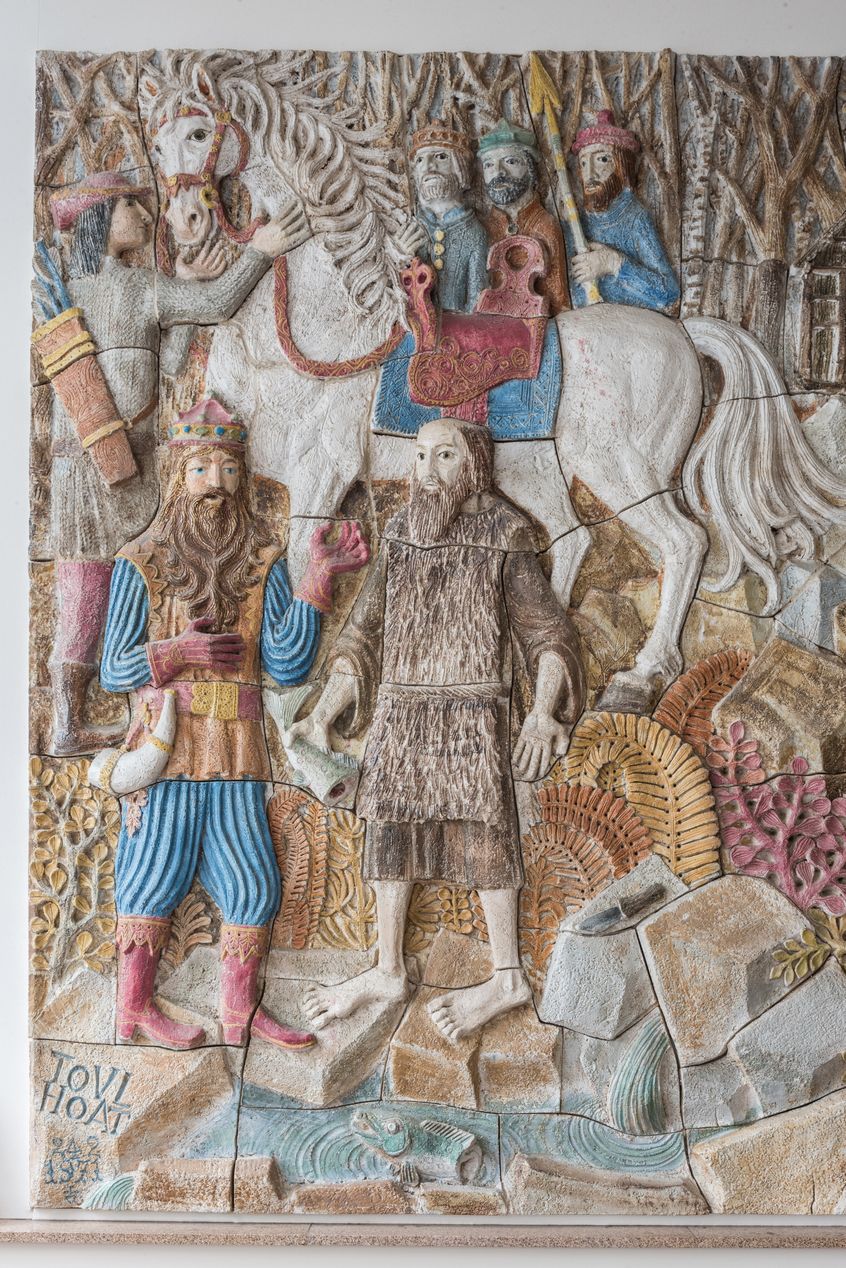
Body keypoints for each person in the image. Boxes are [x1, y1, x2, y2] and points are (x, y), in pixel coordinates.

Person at [287, 418, 585, 1042]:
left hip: (472, 713)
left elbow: (546, 632)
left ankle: (507, 977)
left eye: (443, 456)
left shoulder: (505, 533)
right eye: (420, 456)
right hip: (402, 712)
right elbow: (363, 634)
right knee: (388, 834)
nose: (426, 471)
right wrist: (322, 713)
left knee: (486, 837)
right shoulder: (400, 532)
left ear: (473, 464)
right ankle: (387, 969)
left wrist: (542, 712)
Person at [100, 398, 369, 1050]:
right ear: (178, 477)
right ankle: (132, 1010)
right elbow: (112, 667)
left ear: (242, 478)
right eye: (201, 470)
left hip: (240, 754)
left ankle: (238, 1014)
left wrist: (318, 580)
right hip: (167, 748)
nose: (214, 484)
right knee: (151, 874)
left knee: (253, 883)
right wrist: (177, 652)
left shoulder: (262, 561)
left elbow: (286, 661)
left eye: (227, 470)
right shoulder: (141, 560)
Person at [43, 170, 309, 754]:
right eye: (131, 207)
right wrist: (261, 251)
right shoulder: (130, 285)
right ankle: (70, 719)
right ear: (101, 220)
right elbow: (217, 302)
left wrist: (178, 291)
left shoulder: (89, 288)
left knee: (90, 582)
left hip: (96, 464)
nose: (146, 215)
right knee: (100, 580)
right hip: (108, 466)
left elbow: (165, 363)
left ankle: (75, 713)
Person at [567, 110, 679, 312]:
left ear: (621, 166)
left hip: (631, 321)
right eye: (583, 163)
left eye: (602, 159)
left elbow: (667, 292)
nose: (590, 173)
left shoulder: (634, 218)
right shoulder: (577, 223)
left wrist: (613, 263)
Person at [395, 121, 489, 313]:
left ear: (460, 168)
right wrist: (398, 257)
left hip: (456, 325)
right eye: (420, 160)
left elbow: (477, 302)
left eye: (441, 157)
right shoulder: (412, 227)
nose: (428, 166)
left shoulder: (474, 233)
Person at [480, 118, 571, 314]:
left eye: (510, 161)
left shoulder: (545, 226)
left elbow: (558, 303)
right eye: (488, 164)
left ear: (530, 169)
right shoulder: (483, 229)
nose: (498, 172)